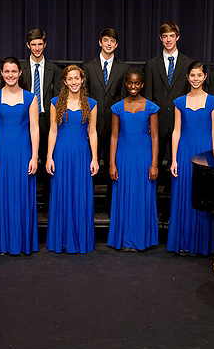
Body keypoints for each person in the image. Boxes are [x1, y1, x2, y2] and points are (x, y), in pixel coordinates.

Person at [0, 57, 39, 255]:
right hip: (0, 152)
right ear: (1, 73)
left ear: (20, 73)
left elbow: (34, 128)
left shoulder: (31, 98)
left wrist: (34, 157)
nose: (10, 75)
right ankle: (0, 243)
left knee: (21, 195)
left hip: (22, 152)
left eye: (14, 71)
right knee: (1, 195)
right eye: (6, 71)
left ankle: (21, 243)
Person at [167, 62, 214, 255]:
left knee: (202, 195)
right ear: (187, 77)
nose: (196, 79)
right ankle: (183, 242)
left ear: (205, 77)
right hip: (184, 152)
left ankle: (200, 244)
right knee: (184, 194)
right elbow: (176, 132)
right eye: (192, 75)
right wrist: (173, 159)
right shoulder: (179, 102)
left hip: (205, 152)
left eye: (199, 75)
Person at [46, 65, 99, 254]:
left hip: (81, 155)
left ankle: (79, 239)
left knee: (80, 196)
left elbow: (92, 133)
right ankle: (61, 239)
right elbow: (52, 131)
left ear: (82, 80)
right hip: (61, 154)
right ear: (65, 82)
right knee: (62, 194)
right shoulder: (55, 103)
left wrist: (95, 159)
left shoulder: (91, 104)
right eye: (70, 79)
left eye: (77, 78)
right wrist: (49, 156)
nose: (74, 82)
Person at [108, 67, 159, 251]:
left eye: (137, 83)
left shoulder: (151, 107)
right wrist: (112, 163)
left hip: (144, 157)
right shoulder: (117, 107)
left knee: (142, 197)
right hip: (124, 157)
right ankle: (125, 239)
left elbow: (155, 136)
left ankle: (140, 240)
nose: (133, 86)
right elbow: (114, 136)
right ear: (126, 83)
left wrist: (154, 164)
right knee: (124, 196)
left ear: (142, 84)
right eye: (130, 82)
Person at [82, 28, 129, 212]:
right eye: (106, 40)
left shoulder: (123, 68)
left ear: (116, 45)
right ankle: (87, 206)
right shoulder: (87, 66)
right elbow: (83, 97)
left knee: (112, 167)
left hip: (113, 127)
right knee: (89, 166)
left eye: (113, 41)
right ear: (100, 42)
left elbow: (124, 99)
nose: (109, 43)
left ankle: (112, 207)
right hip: (91, 126)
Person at [20, 29, 63, 211]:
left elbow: (59, 99)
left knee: (48, 160)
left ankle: (46, 203)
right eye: (33, 44)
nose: (37, 48)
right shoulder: (19, 68)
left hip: (46, 121)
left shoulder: (55, 70)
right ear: (28, 45)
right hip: (23, 121)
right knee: (25, 160)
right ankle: (25, 202)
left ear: (45, 45)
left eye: (40, 44)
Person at [144, 21, 193, 163]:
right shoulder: (152, 64)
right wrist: (148, 122)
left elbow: (190, 94)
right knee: (154, 163)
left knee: (178, 162)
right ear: (160, 38)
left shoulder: (188, 63)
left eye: (172, 36)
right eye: (165, 36)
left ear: (177, 37)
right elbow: (148, 95)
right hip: (158, 123)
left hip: (180, 123)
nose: (168, 40)